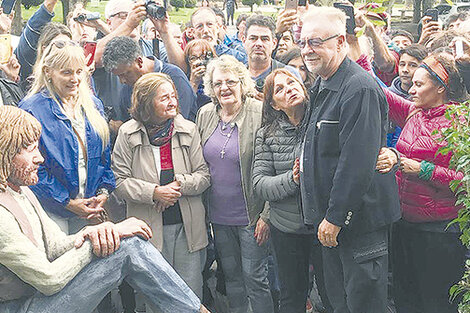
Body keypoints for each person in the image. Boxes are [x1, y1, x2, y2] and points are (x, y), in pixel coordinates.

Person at [0, 105, 210, 313]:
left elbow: (54, 246)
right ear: (4, 151)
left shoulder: (21, 191)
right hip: (24, 307)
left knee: (129, 242)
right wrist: (101, 240)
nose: (40, 158)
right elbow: (48, 279)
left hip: (37, 300)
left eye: (38, 147)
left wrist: (93, 232)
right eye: (29, 149)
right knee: (128, 247)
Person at [299, 7, 400, 312]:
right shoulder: (322, 83)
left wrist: (335, 217)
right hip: (334, 225)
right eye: (302, 42)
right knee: (341, 303)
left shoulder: (359, 88)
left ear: (341, 41)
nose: (307, 50)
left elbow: (356, 163)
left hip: (357, 226)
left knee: (364, 304)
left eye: (315, 42)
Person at [379, 53, 468, 313]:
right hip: (404, 224)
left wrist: (424, 169)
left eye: (420, 85)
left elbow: (466, 182)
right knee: (406, 297)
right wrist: (350, 43)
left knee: (435, 301)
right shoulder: (413, 112)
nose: (411, 89)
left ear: (441, 87)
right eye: (412, 83)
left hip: (439, 232)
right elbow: (378, 90)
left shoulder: (461, 123)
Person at [112, 72, 210, 303]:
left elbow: (204, 176)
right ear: (147, 103)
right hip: (148, 227)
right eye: (164, 98)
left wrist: (178, 186)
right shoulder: (127, 133)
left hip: (187, 228)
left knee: (190, 294)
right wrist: (154, 192)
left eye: (173, 96)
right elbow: (119, 181)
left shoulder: (188, 129)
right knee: (156, 295)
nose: (173, 102)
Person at [196, 54, 273, 313]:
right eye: (218, 84)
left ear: (242, 83)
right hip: (219, 215)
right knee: (232, 278)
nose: (224, 88)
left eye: (230, 82)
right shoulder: (206, 114)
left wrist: (267, 215)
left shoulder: (259, 112)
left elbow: (273, 164)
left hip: (252, 214)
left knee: (255, 278)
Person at [253, 68, 330, 313]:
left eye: (292, 82)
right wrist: (292, 178)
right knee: (291, 295)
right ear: (274, 105)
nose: (289, 89)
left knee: (330, 292)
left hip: (322, 225)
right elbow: (260, 183)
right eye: (280, 89)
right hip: (286, 228)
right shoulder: (267, 135)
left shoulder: (322, 123)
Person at [19, 40, 115, 234]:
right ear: (48, 72)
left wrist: (103, 192)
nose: (75, 79)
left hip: (90, 209)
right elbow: (31, 167)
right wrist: (67, 202)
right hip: (51, 212)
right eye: (66, 72)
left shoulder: (94, 105)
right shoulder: (31, 109)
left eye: (79, 71)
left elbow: (104, 158)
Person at [102, 36, 196, 122]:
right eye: (118, 76)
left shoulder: (175, 77)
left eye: (125, 74)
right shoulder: (127, 90)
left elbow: (180, 121)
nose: (122, 81)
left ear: (139, 61)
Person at [184, 39, 215, 116]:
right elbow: (185, 108)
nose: (198, 62)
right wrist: (194, 82)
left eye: (203, 57)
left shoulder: (217, 77)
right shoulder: (184, 81)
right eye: (193, 58)